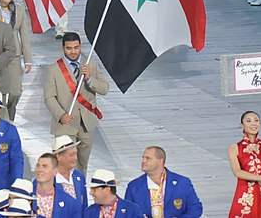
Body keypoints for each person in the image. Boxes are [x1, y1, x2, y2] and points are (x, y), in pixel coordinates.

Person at [43, 33, 109, 172]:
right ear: (63, 48)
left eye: (76, 47)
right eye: (69, 48)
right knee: (63, 166)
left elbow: (104, 89)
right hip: (65, 124)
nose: (73, 51)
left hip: (86, 124)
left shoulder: (91, 64)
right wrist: (61, 114)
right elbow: (49, 97)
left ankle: (79, 192)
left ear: (80, 46)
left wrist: (90, 79)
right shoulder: (53, 69)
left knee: (81, 166)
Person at [122, 145, 203, 218]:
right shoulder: (134, 187)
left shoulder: (182, 183)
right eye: (143, 158)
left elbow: (195, 207)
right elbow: (127, 212)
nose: (143, 161)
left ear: (160, 161)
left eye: (148, 158)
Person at [225, 110, 261, 218]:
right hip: (245, 193)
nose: (253, 123)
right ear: (242, 125)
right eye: (248, 121)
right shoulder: (234, 148)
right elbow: (237, 172)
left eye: (256, 120)